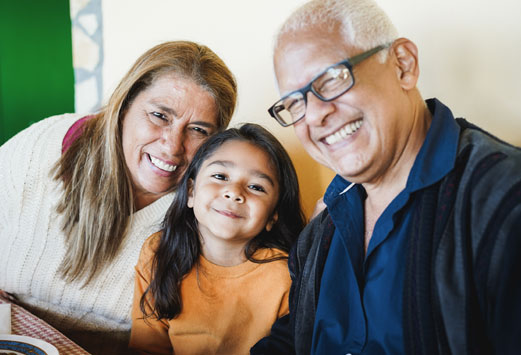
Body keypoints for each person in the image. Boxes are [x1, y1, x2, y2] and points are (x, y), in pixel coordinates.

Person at [251, 0, 521, 354]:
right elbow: (296, 338)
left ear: (403, 65)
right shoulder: (319, 232)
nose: (315, 115)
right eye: (295, 103)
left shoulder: (504, 201)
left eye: (331, 79)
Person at [0, 40, 237, 354]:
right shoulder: (41, 148)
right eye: (159, 116)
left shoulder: (211, 211)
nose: (172, 146)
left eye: (197, 130)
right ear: (123, 106)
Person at [130, 123, 306, 354]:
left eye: (256, 186)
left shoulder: (286, 276)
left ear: (273, 215)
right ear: (191, 192)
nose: (234, 192)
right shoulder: (159, 252)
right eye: (220, 176)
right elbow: (146, 348)